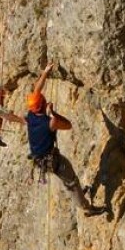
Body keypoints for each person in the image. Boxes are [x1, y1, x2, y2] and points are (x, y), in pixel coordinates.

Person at [26, 63, 106, 217]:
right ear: (43, 105)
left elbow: (36, 90)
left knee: (68, 179)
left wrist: (46, 72)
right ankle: (87, 209)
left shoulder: (31, 114)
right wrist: (53, 113)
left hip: (39, 158)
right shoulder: (49, 122)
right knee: (71, 182)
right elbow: (68, 125)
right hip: (52, 160)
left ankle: (79, 195)